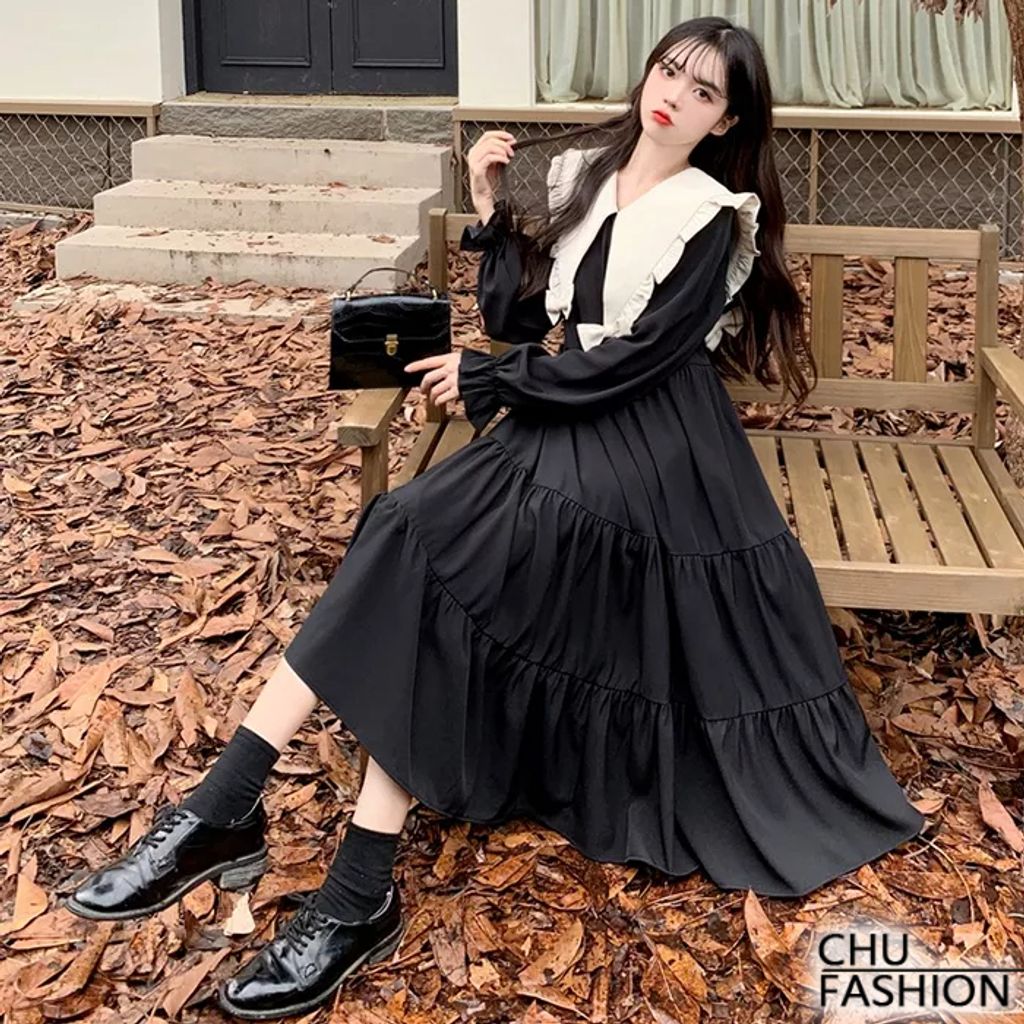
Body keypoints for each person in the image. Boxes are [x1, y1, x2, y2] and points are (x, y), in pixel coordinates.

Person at [60, 15, 926, 1020]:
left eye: (703, 92)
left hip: (657, 449)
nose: (674, 96)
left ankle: (275, 844)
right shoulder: (587, 177)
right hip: (568, 419)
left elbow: (640, 360)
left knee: (437, 547)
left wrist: (493, 382)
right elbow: (525, 321)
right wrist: (486, 213)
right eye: (668, 72)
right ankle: (259, 826)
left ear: (726, 120)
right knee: (411, 533)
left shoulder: (709, 214)